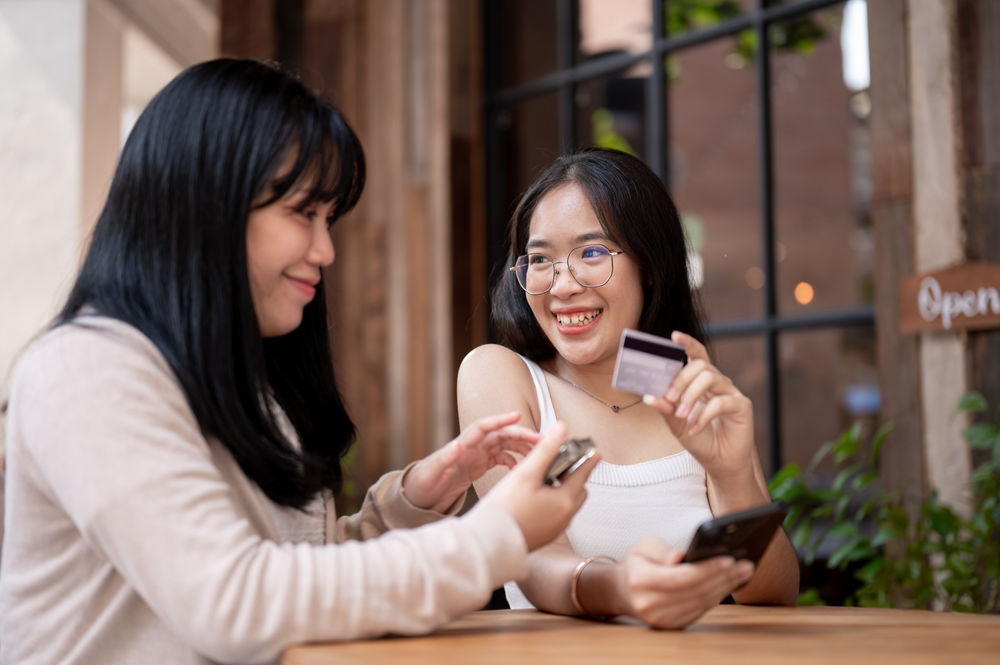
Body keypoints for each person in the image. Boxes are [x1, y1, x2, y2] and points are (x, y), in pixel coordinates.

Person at [0, 58, 596, 665]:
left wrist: (414, 501)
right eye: (302, 213)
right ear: (209, 203)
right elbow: (238, 601)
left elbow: (296, 576)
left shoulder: (240, 382)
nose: (325, 249)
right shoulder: (87, 371)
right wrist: (495, 537)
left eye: (328, 218)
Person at [458, 147, 799, 628]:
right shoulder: (501, 374)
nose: (562, 286)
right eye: (540, 260)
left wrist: (730, 474)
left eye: (592, 252)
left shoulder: (686, 390)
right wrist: (624, 589)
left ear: (651, 265)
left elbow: (774, 594)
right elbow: (531, 560)